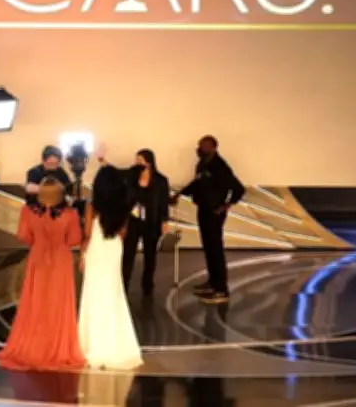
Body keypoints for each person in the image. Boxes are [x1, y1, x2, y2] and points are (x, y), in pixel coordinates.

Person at [0, 177, 86, 371]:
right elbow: (74, 239)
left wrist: (38, 241)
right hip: (60, 261)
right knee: (58, 303)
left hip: (38, 258)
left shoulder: (28, 212)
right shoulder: (69, 214)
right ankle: (56, 346)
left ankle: (35, 345)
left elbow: (23, 236)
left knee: (35, 301)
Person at [77, 165, 143, 370]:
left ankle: (92, 345)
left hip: (96, 249)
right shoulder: (123, 206)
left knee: (94, 295)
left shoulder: (91, 206)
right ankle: (115, 344)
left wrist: (82, 255)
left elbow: (87, 234)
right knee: (114, 293)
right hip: (113, 248)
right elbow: (123, 233)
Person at [171, 135, 244, 304]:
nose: (199, 149)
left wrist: (226, 205)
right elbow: (196, 184)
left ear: (213, 147)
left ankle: (221, 290)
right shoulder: (203, 164)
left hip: (214, 212)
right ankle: (212, 282)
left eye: (203, 146)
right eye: (199, 145)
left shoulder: (220, 166)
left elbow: (238, 188)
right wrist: (179, 194)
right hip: (203, 209)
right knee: (209, 248)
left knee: (215, 249)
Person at [121, 149, 170, 297]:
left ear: (149, 162)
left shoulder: (160, 180)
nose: (137, 163)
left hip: (151, 221)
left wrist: (164, 221)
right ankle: (124, 284)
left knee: (150, 255)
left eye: (140, 160)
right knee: (128, 253)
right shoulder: (131, 178)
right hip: (133, 221)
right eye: (137, 160)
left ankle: (147, 284)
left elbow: (163, 203)